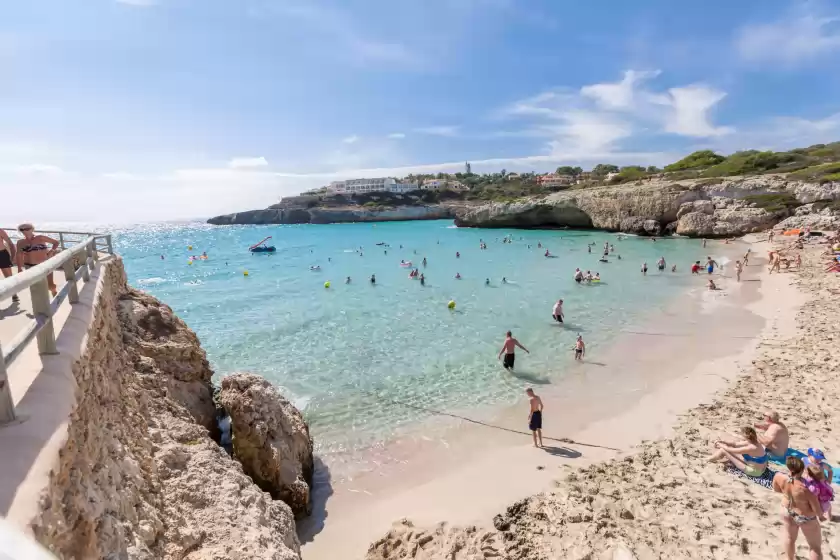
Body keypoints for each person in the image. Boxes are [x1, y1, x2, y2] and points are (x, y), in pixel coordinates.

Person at [772, 456, 824, 560]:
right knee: (815, 547)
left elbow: (776, 489)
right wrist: (821, 516)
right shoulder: (806, 489)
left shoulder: (778, 476)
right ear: (802, 470)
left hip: (787, 511)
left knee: (789, 538)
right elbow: (816, 509)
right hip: (806, 518)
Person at [16, 224, 59, 296]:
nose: (24, 231)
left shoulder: (40, 238)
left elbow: (56, 242)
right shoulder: (20, 242)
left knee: (50, 285)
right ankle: (41, 305)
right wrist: (19, 268)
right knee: (35, 287)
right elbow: (19, 255)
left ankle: (54, 292)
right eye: (22, 229)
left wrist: (52, 251)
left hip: (45, 264)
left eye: (27, 228)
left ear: (32, 229)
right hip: (30, 267)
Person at [0, 229, 18, 303]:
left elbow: (10, 243)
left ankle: (14, 294)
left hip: (2, 254)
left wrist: (13, 256)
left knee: (9, 277)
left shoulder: (0, 231)